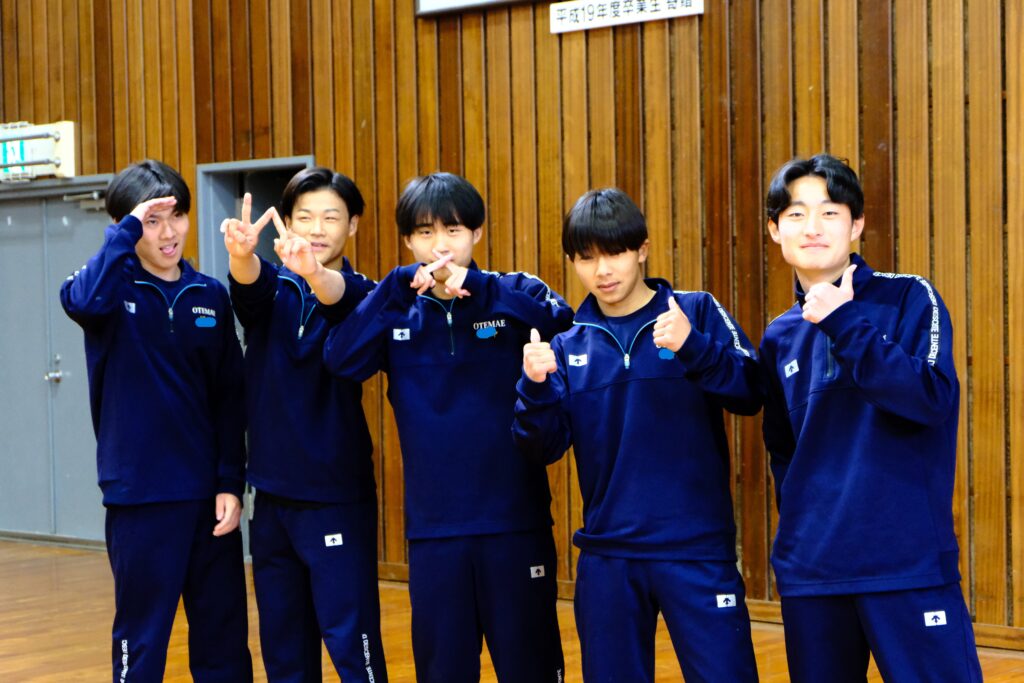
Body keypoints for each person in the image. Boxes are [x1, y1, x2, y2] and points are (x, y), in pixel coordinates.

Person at [323, 172, 569, 682]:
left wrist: (481, 290)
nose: (441, 245)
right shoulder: (399, 311)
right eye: (425, 232)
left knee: (533, 667)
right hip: (434, 533)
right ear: (408, 241)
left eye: (453, 230)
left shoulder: (511, 290)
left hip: (515, 524)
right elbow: (342, 360)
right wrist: (393, 288)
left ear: (476, 233)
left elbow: (562, 324)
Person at [512, 188, 761, 683]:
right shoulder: (566, 345)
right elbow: (541, 446)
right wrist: (534, 388)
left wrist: (694, 347)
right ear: (573, 262)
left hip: (696, 551)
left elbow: (751, 391)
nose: (603, 270)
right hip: (608, 556)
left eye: (615, 253)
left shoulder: (694, 312)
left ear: (642, 249)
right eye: (587, 258)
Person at [759, 154, 982, 682]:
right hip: (813, 574)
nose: (812, 227)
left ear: (856, 224)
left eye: (830, 212)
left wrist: (844, 322)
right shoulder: (779, 335)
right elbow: (784, 453)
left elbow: (930, 398)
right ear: (774, 230)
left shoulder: (909, 297)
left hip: (906, 566)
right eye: (796, 214)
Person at [60, 159, 252, 682]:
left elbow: (229, 398)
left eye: (177, 217)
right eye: (152, 221)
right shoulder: (106, 291)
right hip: (139, 498)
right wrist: (124, 231)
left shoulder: (209, 295)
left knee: (223, 641)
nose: (169, 233)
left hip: (207, 499)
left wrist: (230, 481)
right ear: (125, 226)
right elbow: (82, 301)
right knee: (142, 640)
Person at [222, 167, 385, 682]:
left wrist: (314, 273)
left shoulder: (366, 294)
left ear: (352, 225)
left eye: (331, 218)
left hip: (334, 496)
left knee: (351, 640)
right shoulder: (273, 288)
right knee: (284, 646)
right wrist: (242, 255)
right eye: (304, 217)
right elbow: (248, 288)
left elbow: (339, 298)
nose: (317, 228)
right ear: (288, 222)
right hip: (270, 499)